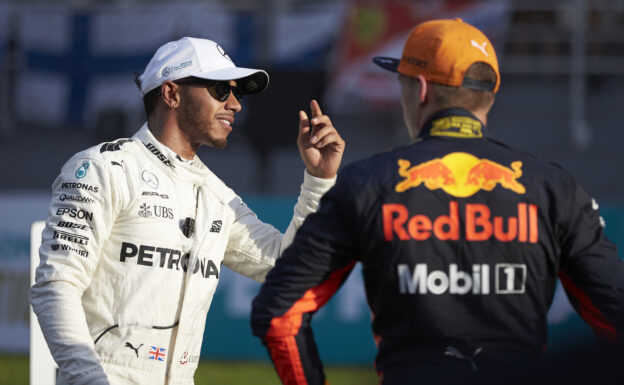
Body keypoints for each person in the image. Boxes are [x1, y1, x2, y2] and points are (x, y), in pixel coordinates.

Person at [250, 18, 624, 385]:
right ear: (489, 95)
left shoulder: (367, 184)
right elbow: (615, 312)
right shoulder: (555, 188)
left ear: (422, 90)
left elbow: (280, 313)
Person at [29, 36, 345, 385]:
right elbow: (55, 285)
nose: (236, 104)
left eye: (238, 93)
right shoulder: (103, 169)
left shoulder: (217, 196)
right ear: (171, 94)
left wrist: (319, 180)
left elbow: (289, 267)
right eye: (221, 90)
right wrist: (89, 378)